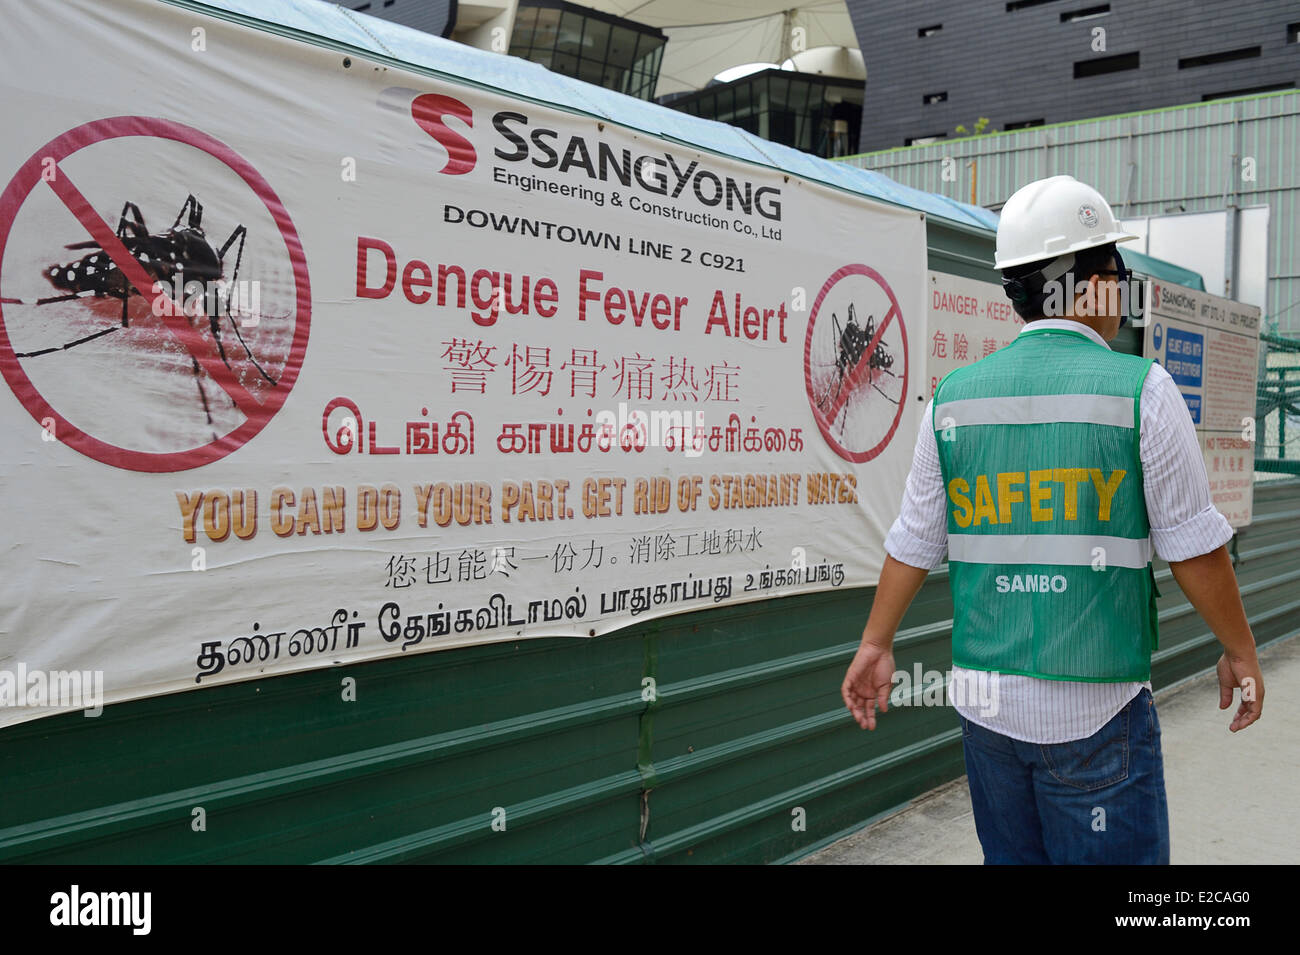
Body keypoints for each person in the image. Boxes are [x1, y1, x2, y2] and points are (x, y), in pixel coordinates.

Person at [840, 175, 1264, 865]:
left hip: (986, 714)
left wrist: (875, 642)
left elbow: (915, 537)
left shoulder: (954, 397)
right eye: (1116, 271)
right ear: (1090, 284)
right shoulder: (1142, 391)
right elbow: (1194, 547)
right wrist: (1241, 650)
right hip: (1097, 715)